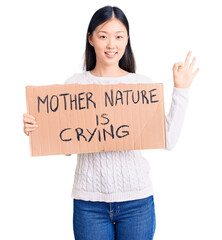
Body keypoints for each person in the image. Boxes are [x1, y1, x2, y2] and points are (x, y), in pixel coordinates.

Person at [23, 5, 200, 240]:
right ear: (91, 39)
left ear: (127, 40)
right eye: (103, 36)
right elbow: (67, 146)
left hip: (137, 203)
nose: (111, 44)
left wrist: (181, 90)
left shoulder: (141, 85)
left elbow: (167, 140)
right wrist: (40, 128)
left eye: (119, 36)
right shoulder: (74, 85)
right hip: (89, 204)